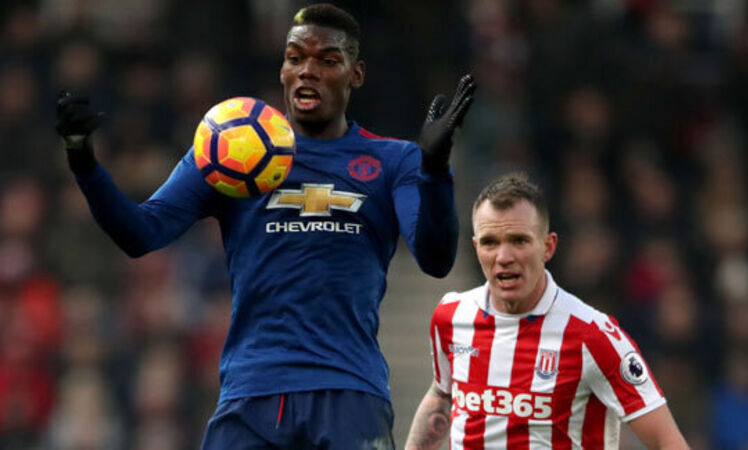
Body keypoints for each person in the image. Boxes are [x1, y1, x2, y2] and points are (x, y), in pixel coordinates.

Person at [54, 4, 476, 449]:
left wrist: (434, 170)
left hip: (348, 390)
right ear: (283, 70)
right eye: (296, 58)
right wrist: (83, 160)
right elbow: (140, 234)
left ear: (356, 75)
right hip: (252, 393)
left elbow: (435, 259)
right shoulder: (232, 149)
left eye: (327, 60)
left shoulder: (394, 160)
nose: (307, 70)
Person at [405, 173, 689, 449]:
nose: (504, 257)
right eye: (490, 242)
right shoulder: (451, 316)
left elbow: (667, 442)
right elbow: (443, 393)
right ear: (476, 247)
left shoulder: (592, 335)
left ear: (548, 247)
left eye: (519, 240)